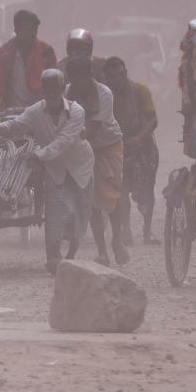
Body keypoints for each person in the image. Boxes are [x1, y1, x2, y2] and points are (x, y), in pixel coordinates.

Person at [0, 68, 96, 274]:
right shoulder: (35, 111)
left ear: (62, 88)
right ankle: (53, 259)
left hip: (80, 166)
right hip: (55, 169)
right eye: (47, 89)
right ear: (43, 90)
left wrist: (39, 155)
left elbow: (64, 141)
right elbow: (17, 125)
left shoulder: (77, 112)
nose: (51, 93)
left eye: (55, 89)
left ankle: (71, 256)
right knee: (55, 212)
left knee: (80, 212)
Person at [63, 31, 129, 266]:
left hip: (107, 145)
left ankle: (118, 240)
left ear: (90, 75)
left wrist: (63, 143)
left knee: (111, 195)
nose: (79, 83)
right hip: (81, 147)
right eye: (74, 78)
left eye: (83, 77)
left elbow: (91, 129)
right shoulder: (67, 93)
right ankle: (102, 250)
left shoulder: (104, 93)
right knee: (91, 200)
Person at [103, 56, 160, 245]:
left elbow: (153, 120)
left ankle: (147, 230)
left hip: (143, 147)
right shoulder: (104, 96)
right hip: (119, 147)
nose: (117, 80)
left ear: (125, 73)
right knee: (121, 190)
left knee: (147, 189)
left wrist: (138, 138)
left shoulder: (140, 90)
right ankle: (125, 229)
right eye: (112, 76)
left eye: (120, 75)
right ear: (107, 78)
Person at [0, 10, 58, 114]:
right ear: (16, 30)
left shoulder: (46, 52)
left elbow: (54, 84)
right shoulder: (4, 54)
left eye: (34, 30)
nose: (32, 34)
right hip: (12, 113)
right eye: (27, 29)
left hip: (41, 111)